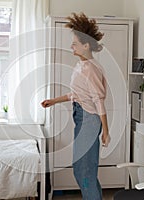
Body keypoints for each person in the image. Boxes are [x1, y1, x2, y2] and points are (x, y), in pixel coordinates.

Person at [41, 12, 110, 199]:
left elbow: (98, 100)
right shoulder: (81, 66)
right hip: (81, 117)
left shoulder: (90, 68)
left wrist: (106, 130)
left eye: (75, 43)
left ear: (86, 45)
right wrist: (53, 101)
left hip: (89, 120)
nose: (71, 46)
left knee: (84, 171)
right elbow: (77, 94)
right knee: (82, 169)